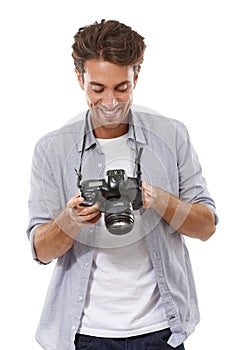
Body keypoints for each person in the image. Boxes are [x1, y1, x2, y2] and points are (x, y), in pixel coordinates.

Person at [27, 19, 218, 350]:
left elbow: (207, 227)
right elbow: (40, 250)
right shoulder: (52, 149)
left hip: (163, 329)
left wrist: (156, 199)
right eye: (97, 89)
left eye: (122, 88)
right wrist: (70, 221)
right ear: (79, 79)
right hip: (84, 333)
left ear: (136, 77)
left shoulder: (171, 136)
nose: (111, 103)